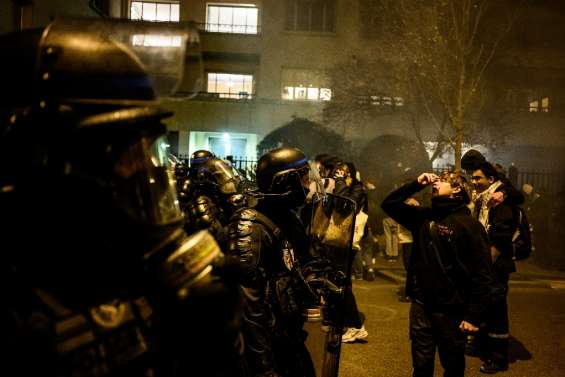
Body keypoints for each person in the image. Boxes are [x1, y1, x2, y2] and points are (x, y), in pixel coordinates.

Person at [1, 19, 244, 377]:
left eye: (150, 150)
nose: (148, 170)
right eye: (128, 152)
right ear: (39, 161)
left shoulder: (93, 265)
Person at [381, 171, 501, 377]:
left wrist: (473, 316)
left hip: (452, 309)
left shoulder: (470, 225)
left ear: (457, 189)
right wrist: (416, 184)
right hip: (421, 304)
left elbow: (483, 274)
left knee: (452, 365)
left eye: (443, 180)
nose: (435, 183)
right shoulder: (423, 217)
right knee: (421, 365)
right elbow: (389, 204)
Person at [226, 147, 316, 377]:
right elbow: (248, 308)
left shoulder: (285, 215)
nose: (308, 185)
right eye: (304, 177)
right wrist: (263, 368)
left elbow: (295, 264)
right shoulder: (250, 228)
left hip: (286, 337)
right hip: (264, 346)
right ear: (287, 182)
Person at [471, 162, 518, 374]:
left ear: (491, 180)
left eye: (478, 178)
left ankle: (498, 358)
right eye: (472, 178)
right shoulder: (484, 199)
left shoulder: (500, 202)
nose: (474, 182)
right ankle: (483, 346)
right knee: (486, 307)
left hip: (496, 267)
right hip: (486, 265)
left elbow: (500, 239)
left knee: (497, 312)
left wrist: (485, 267)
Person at [332, 161, 370, 343]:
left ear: (351, 175)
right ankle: (347, 323)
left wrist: (339, 183)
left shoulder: (358, 189)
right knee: (339, 283)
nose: (338, 176)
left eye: (342, 173)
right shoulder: (347, 187)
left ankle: (356, 326)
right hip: (339, 242)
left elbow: (344, 206)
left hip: (348, 242)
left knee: (343, 284)